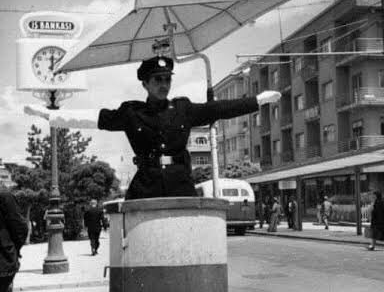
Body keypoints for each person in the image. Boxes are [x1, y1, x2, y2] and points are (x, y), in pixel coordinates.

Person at [25, 56, 281, 200]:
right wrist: (51, 116)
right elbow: (93, 118)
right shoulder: (132, 113)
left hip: (181, 183)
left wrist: (257, 101)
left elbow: (220, 109)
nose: (164, 84)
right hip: (145, 184)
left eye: (167, 79)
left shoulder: (183, 108)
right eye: (158, 80)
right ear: (145, 84)